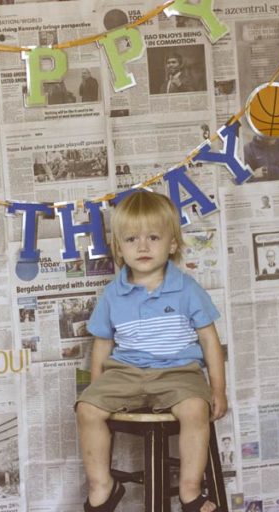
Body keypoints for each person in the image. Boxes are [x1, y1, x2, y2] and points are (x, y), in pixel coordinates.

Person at [75, 191, 226, 512]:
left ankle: (189, 489)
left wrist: (218, 390)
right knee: (87, 409)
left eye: (153, 237)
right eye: (131, 239)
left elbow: (210, 340)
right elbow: (102, 343)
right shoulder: (113, 294)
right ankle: (102, 485)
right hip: (126, 373)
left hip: (179, 372)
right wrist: (97, 389)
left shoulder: (186, 289)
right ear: (119, 248)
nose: (142, 247)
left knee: (194, 410)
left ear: (171, 244)